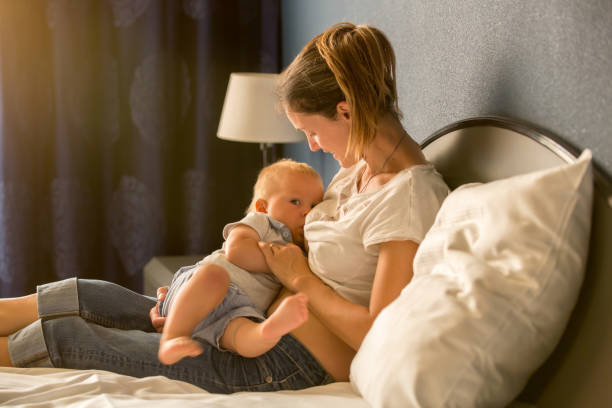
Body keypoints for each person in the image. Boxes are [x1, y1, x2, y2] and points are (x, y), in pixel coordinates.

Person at [0, 22, 449, 393]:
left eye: (311, 131)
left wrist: (300, 279)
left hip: (280, 362)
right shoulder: (356, 172)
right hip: (241, 317)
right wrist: (196, 297)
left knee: (65, 336)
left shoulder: (407, 197)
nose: (313, 145)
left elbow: (376, 332)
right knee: (91, 293)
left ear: (345, 111)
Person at [158, 159, 323, 364]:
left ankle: (268, 331)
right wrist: (281, 266)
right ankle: (172, 338)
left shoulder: (304, 249)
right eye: (295, 202)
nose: (307, 211)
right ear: (263, 207)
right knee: (213, 275)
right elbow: (236, 251)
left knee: (244, 333)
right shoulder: (262, 223)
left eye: (314, 205)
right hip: (205, 288)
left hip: (239, 310)